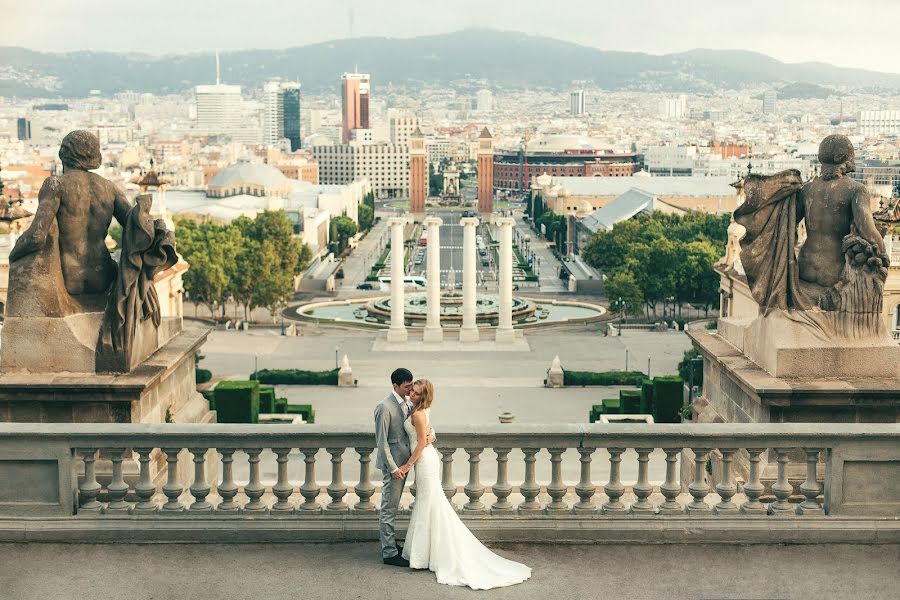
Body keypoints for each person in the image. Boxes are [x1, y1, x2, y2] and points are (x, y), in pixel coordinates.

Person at [399, 379, 532, 590]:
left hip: (424, 460)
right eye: (412, 391)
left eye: (416, 393)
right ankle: (425, 553)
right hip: (426, 459)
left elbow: (423, 442)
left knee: (429, 503)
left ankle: (426, 555)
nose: (412, 395)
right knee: (428, 503)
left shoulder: (417, 413)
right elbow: (429, 434)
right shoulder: (421, 409)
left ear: (423, 397)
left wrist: (407, 465)